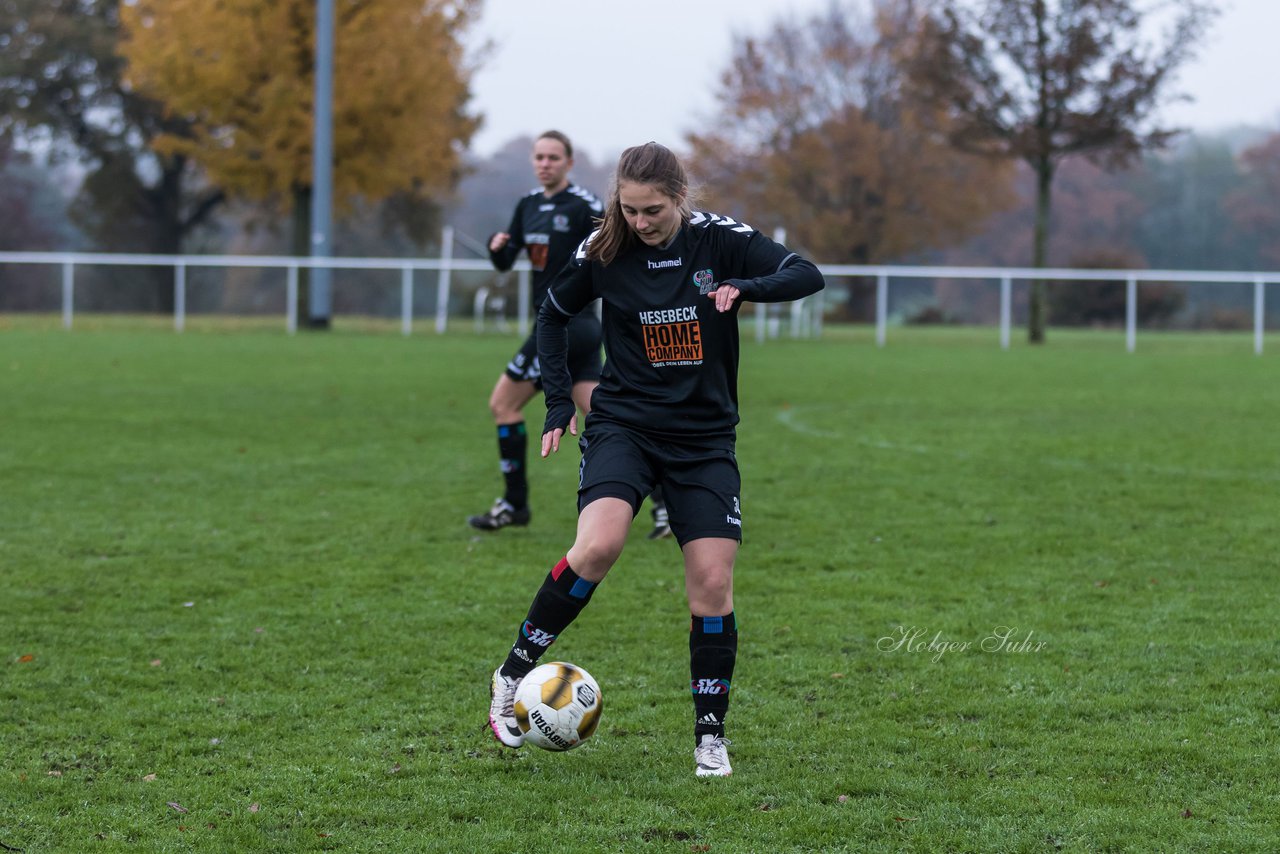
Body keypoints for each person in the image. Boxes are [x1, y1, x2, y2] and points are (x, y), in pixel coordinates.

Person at [486, 142, 825, 776]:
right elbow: (553, 315)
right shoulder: (604, 246)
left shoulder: (718, 239)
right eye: (630, 209)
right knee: (598, 546)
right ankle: (510, 676)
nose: (640, 223)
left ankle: (709, 737)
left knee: (713, 584)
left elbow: (807, 273)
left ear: (680, 197)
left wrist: (743, 287)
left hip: (703, 439)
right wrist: (559, 401)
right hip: (625, 426)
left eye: (653, 211)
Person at [468, 130, 672, 538]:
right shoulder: (527, 206)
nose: (545, 163)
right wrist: (497, 247)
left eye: (553, 157)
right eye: (539, 157)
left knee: (502, 405)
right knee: (601, 412)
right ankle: (667, 505)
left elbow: (619, 243)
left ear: (569, 163)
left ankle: (515, 503)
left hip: (567, 324)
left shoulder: (584, 207)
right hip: (559, 325)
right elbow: (507, 260)